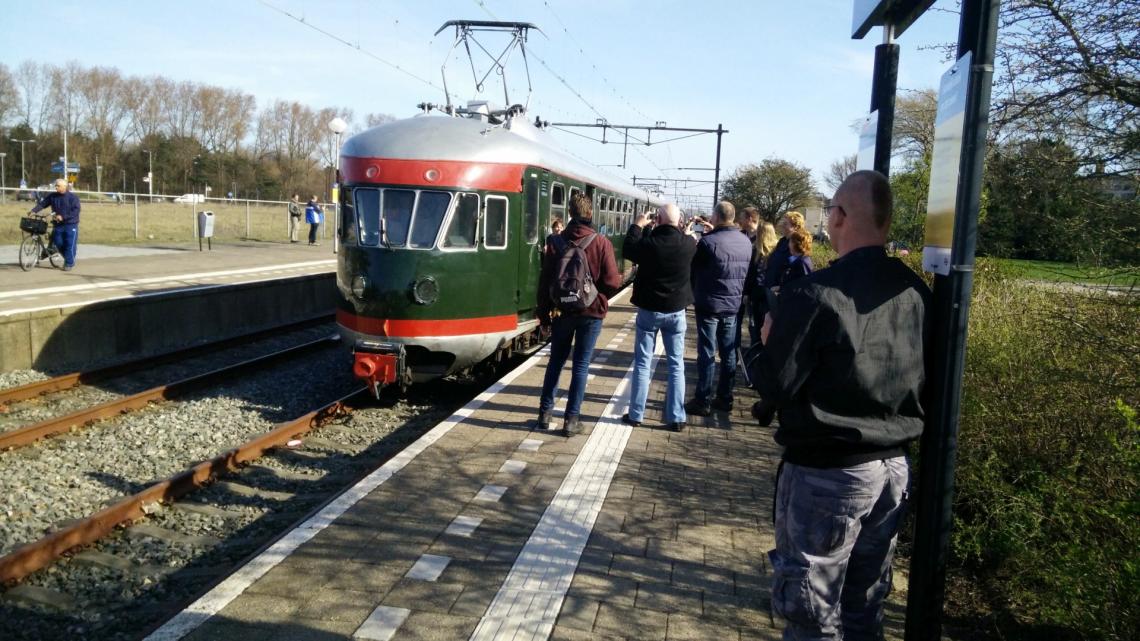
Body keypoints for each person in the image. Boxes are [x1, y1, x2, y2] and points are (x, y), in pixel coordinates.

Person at [754, 170, 931, 640]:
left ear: (838, 217)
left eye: (831, 209)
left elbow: (775, 386)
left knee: (812, 610)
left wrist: (764, 343)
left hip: (828, 474)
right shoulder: (917, 293)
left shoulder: (814, 294)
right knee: (864, 605)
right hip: (893, 469)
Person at [536, 192, 621, 436]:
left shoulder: (555, 242)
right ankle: (571, 420)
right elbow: (613, 282)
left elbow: (545, 282)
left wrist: (543, 315)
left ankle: (544, 414)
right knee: (581, 366)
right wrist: (595, 294)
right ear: (590, 213)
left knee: (555, 362)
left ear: (570, 213)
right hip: (590, 312)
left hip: (561, 311)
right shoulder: (601, 242)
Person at [621, 203, 696, 432]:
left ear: (659, 220)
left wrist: (638, 224)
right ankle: (676, 417)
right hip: (676, 312)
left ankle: (636, 414)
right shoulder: (689, 244)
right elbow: (688, 237)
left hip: (649, 311)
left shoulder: (649, 244)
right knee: (676, 365)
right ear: (679, 221)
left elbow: (628, 248)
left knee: (643, 363)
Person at [684, 200, 753, 416]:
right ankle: (725, 398)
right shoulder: (745, 242)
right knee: (729, 352)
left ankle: (702, 400)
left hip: (709, 305)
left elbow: (693, 270)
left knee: (706, 353)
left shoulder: (707, 243)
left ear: (715, 217)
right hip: (732, 306)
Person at [29, 179, 80, 271]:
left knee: (69, 244)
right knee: (58, 243)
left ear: (64, 187)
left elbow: (76, 211)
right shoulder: (52, 196)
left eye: (58, 186)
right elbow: (43, 204)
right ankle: (69, 258)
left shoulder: (73, 198)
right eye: (55, 186)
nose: (56, 187)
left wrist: (63, 217)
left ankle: (69, 263)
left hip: (71, 225)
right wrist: (33, 211)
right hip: (58, 224)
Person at [745, 220, 780, 347]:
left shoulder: (756, 252)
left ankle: (756, 349)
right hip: (771, 295)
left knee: (756, 325)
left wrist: (747, 293)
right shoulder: (778, 252)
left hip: (757, 295)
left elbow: (751, 275)